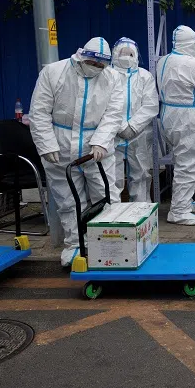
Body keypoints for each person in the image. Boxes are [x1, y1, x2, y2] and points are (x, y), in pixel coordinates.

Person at [29, 37, 125, 267]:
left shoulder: (112, 78)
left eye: (101, 66)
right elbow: (39, 112)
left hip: (97, 149)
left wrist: (101, 142)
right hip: (60, 145)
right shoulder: (53, 73)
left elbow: (113, 114)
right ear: (81, 57)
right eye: (94, 64)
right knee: (68, 200)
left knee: (107, 196)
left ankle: (110, 245)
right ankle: (75, 245)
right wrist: (47, 144)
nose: (97, 69)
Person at [156, 25, 195, 225]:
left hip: (169, 116)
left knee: (180, 160)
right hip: (189, 119)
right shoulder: (193, 64)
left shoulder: (163, 61)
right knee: (189, 164)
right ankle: (179, 211)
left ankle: (184, 202)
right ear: (192, 42)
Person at [111, 37, 160, 202]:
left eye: (130, 54)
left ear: (137, 56)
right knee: (111, 177)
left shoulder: (144, 76)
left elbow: (151, 105)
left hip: (138, 135)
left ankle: (141, 214)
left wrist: (132, 127)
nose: (126, 57)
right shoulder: (106, 75)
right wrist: (119, 126)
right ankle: (111, 217)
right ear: (114, 54)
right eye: (123, 53)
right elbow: (101, 104)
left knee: (141, 175)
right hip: (112, 134)